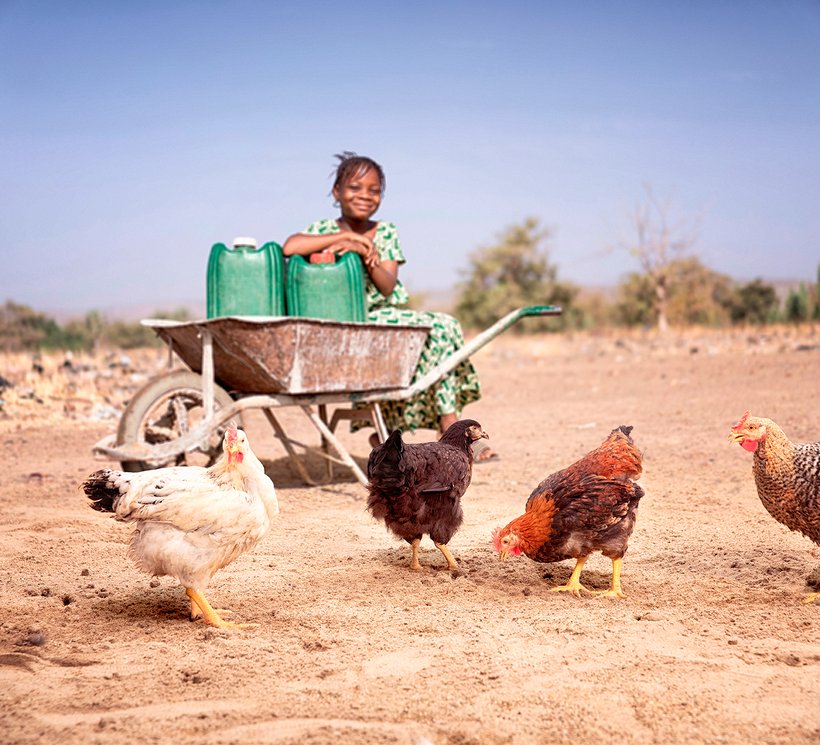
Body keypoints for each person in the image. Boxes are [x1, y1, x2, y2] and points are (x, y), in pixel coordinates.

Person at [282, 152, 498, 462]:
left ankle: (447, 423)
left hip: (379, 314)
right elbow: (290, 247)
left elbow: (386, 285)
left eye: (374, 190)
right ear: (336, 192)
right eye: (355, 188)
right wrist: (344, 238)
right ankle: (399, 431)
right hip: (340, 320)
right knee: (431, 332)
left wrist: (368, 258)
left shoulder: (385, 232)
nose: (365, 196)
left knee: (443, 327)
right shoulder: (322, 229)